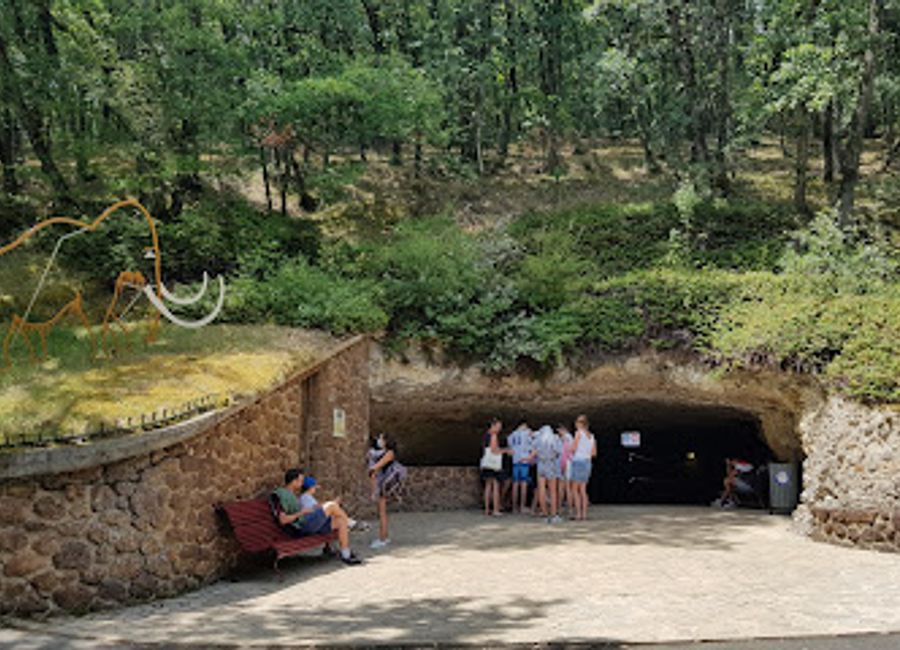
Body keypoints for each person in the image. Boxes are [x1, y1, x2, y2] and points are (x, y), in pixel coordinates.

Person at [272, 468, 362, 565]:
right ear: (294, 481)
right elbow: (283, 520)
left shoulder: (293, 495)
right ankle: (352, 524)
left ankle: (346, 554)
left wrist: (307, 511)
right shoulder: (280, 495)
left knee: (340, 521)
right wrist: (301, 513)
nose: (302, 484)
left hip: (307, 523)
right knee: (331, 505)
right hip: (301, 527)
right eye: (301, 481)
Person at [367, 433, 407, 549]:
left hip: (384, 485)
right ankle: (384, 536)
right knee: (382, 512)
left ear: (386, 441)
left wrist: (372, 466)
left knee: (382, 513)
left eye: (381, 438)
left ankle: (383, 538)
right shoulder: (381, 453)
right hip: (380, 484)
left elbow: (376, 467)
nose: (379, 440)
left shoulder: (389, 453)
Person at [569, 415, 596, 521]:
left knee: (575, 489)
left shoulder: (578, 433)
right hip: (587, 462)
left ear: (580, 424)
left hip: (578, 461)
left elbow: (574, 448)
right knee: (583, 490)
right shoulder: (592, 436)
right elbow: (594, 453)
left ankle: (578, 514)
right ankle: (584, 514)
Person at [534, 424, 563, 523]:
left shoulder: (538, 439)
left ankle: (544, 515)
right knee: (553, 491)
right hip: (551, 463)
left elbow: (534, 451)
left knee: (541, 490)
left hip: (541, 464)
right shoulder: (555, 438)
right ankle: (554, 514)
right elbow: (559, 451)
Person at [480, 418, 507, 516]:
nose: (500, 429)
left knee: (488, 486)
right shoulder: (493, 435)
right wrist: (506, 451)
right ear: (493, 425)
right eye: (499, 426)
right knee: (495, 485)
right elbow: (494, 450)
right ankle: (495, 509)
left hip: (486, 463)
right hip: (493, 464)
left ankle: (487, 509)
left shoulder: (485, 435)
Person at [507, 422, 535, 514]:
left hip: (515, 461)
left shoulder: (512, 435)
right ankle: (522, 506)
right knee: (523, 484)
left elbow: (510, 448)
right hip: (524, 460)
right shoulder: (527, 433)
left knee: (515, 484)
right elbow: (533, 445)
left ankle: (514, 507)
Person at [558, 424, 575, 519]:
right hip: (569, 463)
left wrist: (563, 465)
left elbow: (565, 452)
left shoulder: (566, 438)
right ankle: (569, 509)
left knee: (564, 487)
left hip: (565, 463)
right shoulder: (571, 438)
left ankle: (563, 509)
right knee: (566, 487)